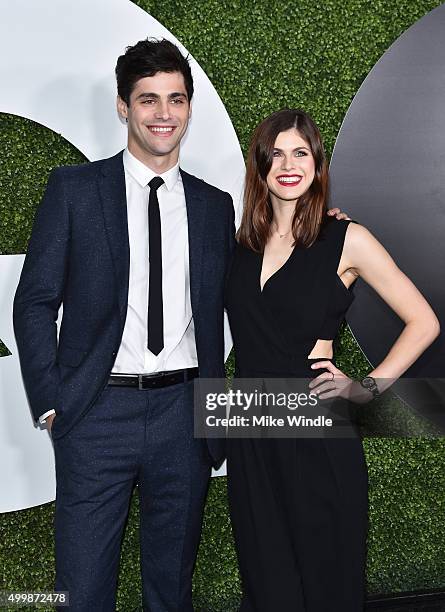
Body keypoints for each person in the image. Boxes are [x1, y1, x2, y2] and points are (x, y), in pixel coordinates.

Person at [13, 38, 237, 611]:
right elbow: (35, 300)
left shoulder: (215, 207)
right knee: (82, 593)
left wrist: (328, 233)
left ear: (189, 107)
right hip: (96, 414)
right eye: (148, 100)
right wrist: (52, 400)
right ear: (123, 106)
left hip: (184, 415)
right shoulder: (75, 191)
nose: (164, 113)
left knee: (171, 590)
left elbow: (247, 288)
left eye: (176, 99)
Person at [224, 109, 440, 611]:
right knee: (267, 579)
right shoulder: (241, 245)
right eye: (275, 153)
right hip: (251, 427)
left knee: (326, 579)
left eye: (301, 152)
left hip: (316, 425)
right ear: (260, 166)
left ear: (317, 164)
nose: (288, 164)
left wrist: (365, 389)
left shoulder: (347, 238)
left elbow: (424, 322)